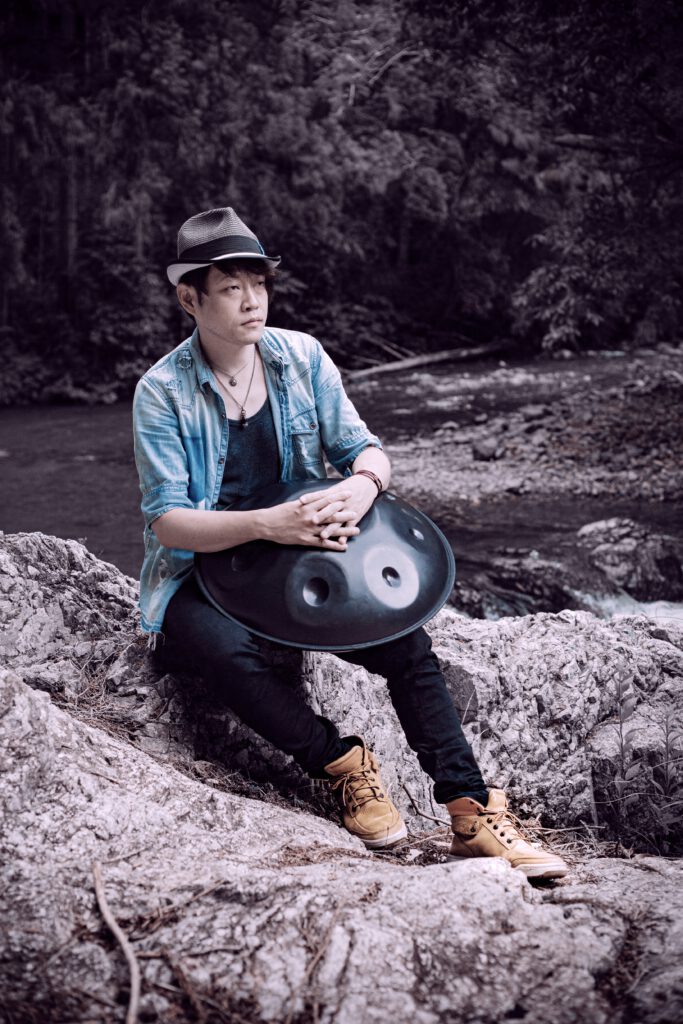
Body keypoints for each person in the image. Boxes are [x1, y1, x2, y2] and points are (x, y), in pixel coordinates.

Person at [132, 207, 568, 878]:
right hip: (210, 564)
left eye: (259, 284)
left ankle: (470, 811)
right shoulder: (161, 391)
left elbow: (364, 449)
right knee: (216, 648)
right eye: (230, 287)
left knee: (408, 646)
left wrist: (364, 486)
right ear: (190, 299)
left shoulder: (301, 357)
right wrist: (266, 524)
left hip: (304, 555)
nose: (251, 301)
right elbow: (169, 522)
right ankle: (341, 764)